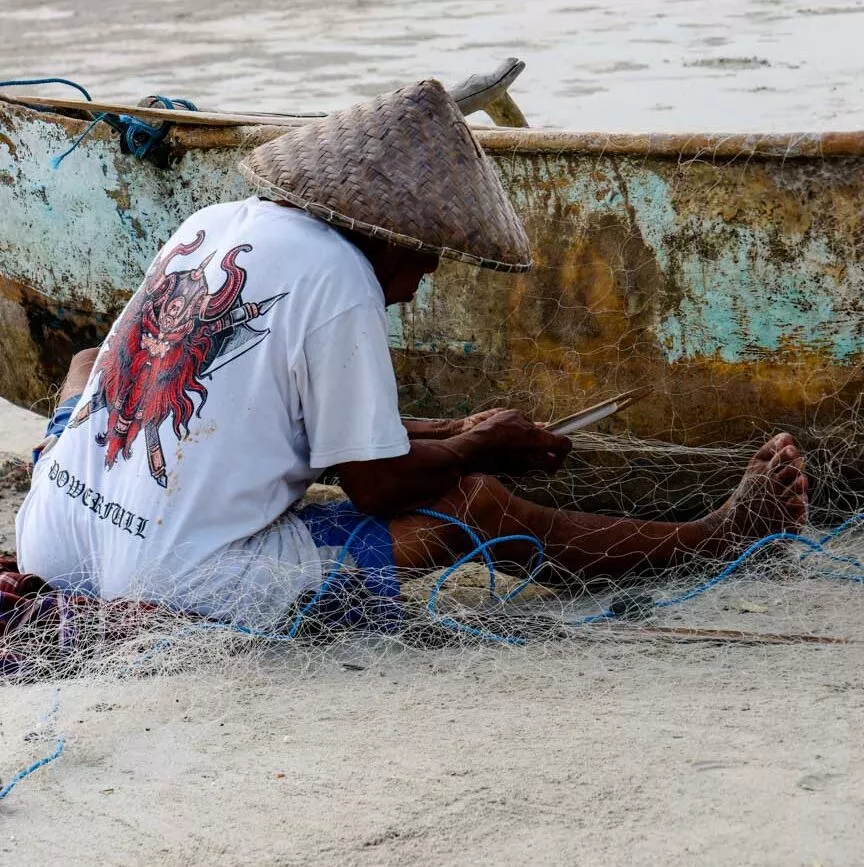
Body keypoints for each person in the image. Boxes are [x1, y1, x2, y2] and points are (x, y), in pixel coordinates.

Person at [15, 80, 808, 632]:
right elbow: (373, 485)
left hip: (51, 537)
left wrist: (453, 424)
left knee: (90, 366)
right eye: (426, 260)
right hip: (180, 586)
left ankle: (88, 515)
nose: (421, 285)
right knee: (476, 505)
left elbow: (270, 412)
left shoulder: (216, 219)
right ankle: (718, 535)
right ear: (388, 234)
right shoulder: (341, 276)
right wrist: (481, 448)